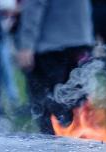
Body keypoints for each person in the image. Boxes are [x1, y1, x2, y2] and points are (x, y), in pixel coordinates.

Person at [17, 0, 94, 134]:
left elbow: (35, 5)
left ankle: (53, 150)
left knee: (47, 106)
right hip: (81, 40)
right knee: (76, 105)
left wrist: (26, 45)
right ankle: (78, 149)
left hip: (51, 45)